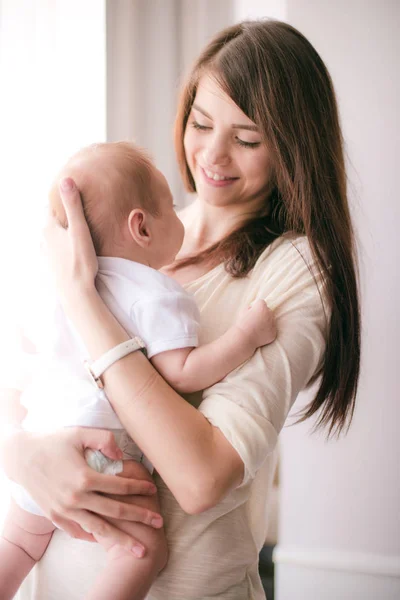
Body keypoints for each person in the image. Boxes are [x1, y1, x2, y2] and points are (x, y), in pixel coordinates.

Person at [0, 19, 360, 600]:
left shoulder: (294, 269)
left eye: (247, 139)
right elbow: (23, 377)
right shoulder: (142, 232)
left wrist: (81, 297)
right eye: (201, 123)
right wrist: (21, 454)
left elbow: (199, 479)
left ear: (294, 148)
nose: (212, 156)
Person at [0, 141, 276, 600]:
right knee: (141, 550)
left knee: (16, 541)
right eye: (170, 208)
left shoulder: (60, 282)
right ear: (142, 228)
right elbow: (184, 372)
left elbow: (27, 352)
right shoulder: (155, 292)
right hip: (100, 450)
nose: (180, 216)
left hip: (43, 445)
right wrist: (246, 337)